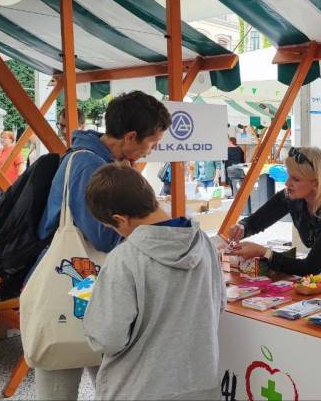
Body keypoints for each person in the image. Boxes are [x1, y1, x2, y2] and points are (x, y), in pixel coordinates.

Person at [35, 91, 170, 400]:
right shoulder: (91, 166)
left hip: (86, 287)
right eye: (153, 142)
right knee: (66, 389)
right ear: (131, 136)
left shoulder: (95, 159)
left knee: (113, 386)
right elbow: (105, 236)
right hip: (76, 286)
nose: (152, 150)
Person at [83, 163, 224, 400]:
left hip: (138, 387)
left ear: (120, 219)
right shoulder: (203, 243)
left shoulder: (124, 258)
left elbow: (107, 339)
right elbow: (218, 304)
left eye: (111, 227)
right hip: (199, 384)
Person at [227, 146, 321, 276]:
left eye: (296, 179)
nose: (287, 183)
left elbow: (310, 268)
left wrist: (263, 252)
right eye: (288, 176)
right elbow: (255, 222)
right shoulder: (291, 196)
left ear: (317, 183)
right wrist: (242, 228)